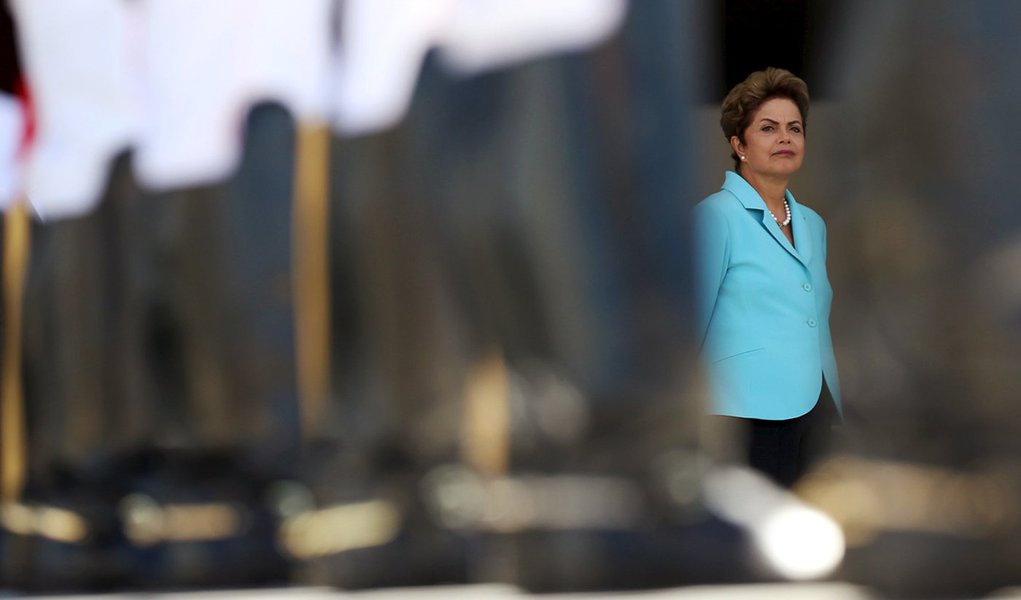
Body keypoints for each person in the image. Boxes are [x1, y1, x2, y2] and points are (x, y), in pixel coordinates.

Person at [694, 67, 841, 488]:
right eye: (769, 128)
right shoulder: (715, 217)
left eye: (795, 128)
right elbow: (690, 330)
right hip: (744, 416)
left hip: (815, 411)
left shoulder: (813, 223)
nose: (786, 138)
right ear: (739, 144)